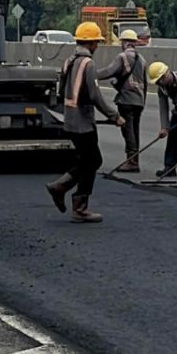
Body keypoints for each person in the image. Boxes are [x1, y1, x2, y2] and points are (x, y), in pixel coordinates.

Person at [46, 21, 124, 223]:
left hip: (70, 120)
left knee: (87, 160)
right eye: (96, 42)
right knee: (93, 161)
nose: (97, 46)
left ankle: (62, 188)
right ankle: (77, 204)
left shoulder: (69, 61)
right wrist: (114, 115)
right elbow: (95, 95)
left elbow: (62, 91)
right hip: (83, 122)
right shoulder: (87, 64)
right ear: (90, 43)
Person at [96, 29, 146, 172]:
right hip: (139, 100)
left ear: (124, 42)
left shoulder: (122, 57)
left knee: (128, 130)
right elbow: (145, 83)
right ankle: (135, 159)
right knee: (135, 131)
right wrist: (143, 101)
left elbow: (109, 71)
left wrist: (91, 74)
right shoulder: (142, 59)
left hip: (126, 100)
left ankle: (131, 161)